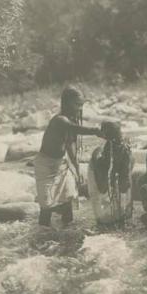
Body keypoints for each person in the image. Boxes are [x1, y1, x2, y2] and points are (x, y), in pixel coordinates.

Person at [35, 86, 103, 226]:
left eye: (81, 105)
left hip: (61, 164)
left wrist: (77, 168)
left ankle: (68, 230)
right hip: (45, 166)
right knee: (46, 207)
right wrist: (96, 131)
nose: (79, 108)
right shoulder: (60, 120)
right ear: (66, 103)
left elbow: (70, 145)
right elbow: (75, 129)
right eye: (77, 104)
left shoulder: (71, 120)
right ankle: (41, 236)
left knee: (68, 200)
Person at [88, 121, 135, 224]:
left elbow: (125, 186)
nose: (121, 144)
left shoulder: (127, 153)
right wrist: (111, 172)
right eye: (117, 142)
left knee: (125, 215)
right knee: (104, 219)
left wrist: (125, 165)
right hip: (99, 178)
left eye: (121, 140)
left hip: (117, 168)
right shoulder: (99, 157)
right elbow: (103, 188)